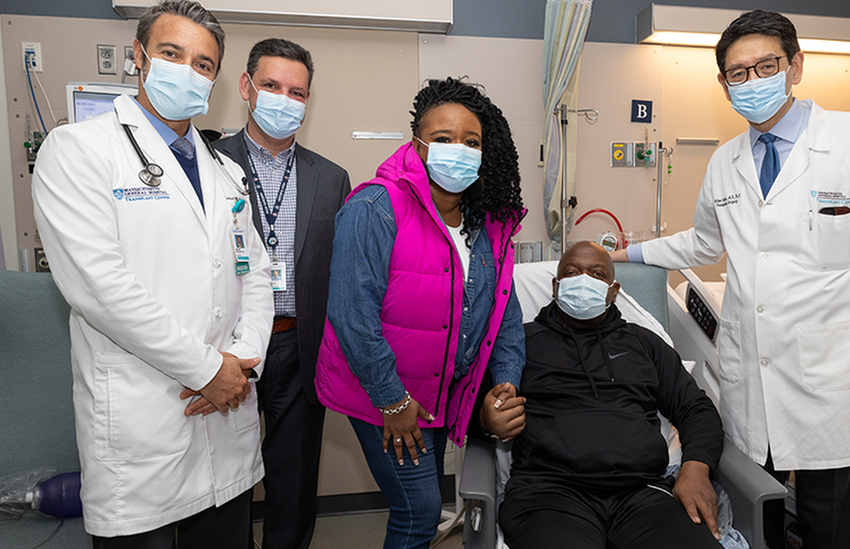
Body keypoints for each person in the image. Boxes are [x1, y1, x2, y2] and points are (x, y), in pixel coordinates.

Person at [610, 10, 850, 549]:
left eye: (766, 66)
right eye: (738, 73)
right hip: (752, 376)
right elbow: (703, 242)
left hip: (834, 378)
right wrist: (630, 250)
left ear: (795, 66)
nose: (752, 81)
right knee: (760, 516)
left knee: (830, 526)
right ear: (725, 86)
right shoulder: (726, 162)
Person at [31, 1, 273, 547]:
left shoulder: (225, 172)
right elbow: (102, 289)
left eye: (204, 63)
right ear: (139, 57)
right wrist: (208, 369)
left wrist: (242, 365)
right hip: (146, 427)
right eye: (171, 53)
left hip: (227, 414)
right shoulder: (78, 151)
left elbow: (255, 275)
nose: (188, 70)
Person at [315, 77, 526, 549]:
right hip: (381, 394)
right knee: (419, 511)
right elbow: (352, 316)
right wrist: (392, 400)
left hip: (436, 395)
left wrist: (506, 380)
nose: (459, 150)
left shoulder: (486, 223)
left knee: (423, 507)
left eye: (470, 142)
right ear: (417, 144)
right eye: (443, 139)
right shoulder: (375, 205)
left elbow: (503, 311)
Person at [492, 242, 724, 549]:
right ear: (555, 286)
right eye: (572, 272)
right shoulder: (519, 343)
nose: (583, 280)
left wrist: (696, 466)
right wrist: (487, 417)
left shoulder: (645, 345)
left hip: (641, 494)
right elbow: (472, 405)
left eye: (597, 274)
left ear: (613, 292)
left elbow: (696, 409)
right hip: (549, 494)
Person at [213, 38, 351, 549]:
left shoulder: (331, 178)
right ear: (246, 88)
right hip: (226, 348)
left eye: (296, 91)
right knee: (224, 476)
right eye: (271, 86)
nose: (283, 99)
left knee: (293, 478)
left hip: (299, 346)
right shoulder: (207, 161)